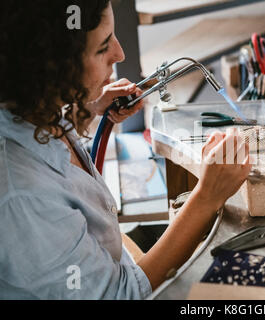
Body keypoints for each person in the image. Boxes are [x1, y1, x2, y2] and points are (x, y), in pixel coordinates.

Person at [0, 0, 251, 299]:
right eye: (103, 47)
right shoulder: (22, 199)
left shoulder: (32, 108)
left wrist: (83, 107)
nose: (120, 53)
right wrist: (207, 196)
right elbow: (122, 295)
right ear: (53, 68)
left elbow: (58, 160)